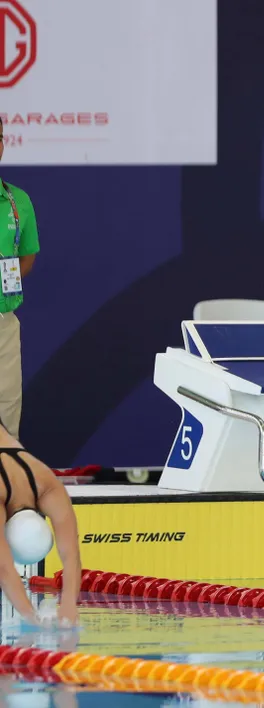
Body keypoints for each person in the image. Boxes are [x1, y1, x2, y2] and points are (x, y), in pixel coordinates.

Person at [0, 423, 80, 627]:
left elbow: (71, 556)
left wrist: (69, 605)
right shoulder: (46, 485)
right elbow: (4, 568)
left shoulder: (46, 483)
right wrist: (31, 618)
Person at [0, 120, 41, 439]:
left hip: (4, 320)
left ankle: (6, 469)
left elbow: (27, 256)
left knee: (7, 407)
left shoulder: (18, 201)